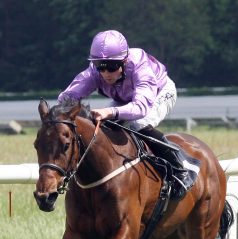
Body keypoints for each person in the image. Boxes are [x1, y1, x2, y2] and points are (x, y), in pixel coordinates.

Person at [57, 29, 198, 196]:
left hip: (158, 93)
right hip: (124, 98)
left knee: (138, 124)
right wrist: (62, 109)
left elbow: (140, 108)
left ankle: (181, 167)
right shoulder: (94, 72)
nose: (105, 73)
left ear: (124, 61)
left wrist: (109, 111)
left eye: (111, 67)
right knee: (106, 127)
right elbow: (66, 98)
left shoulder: (140, 66)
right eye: (100, 67)